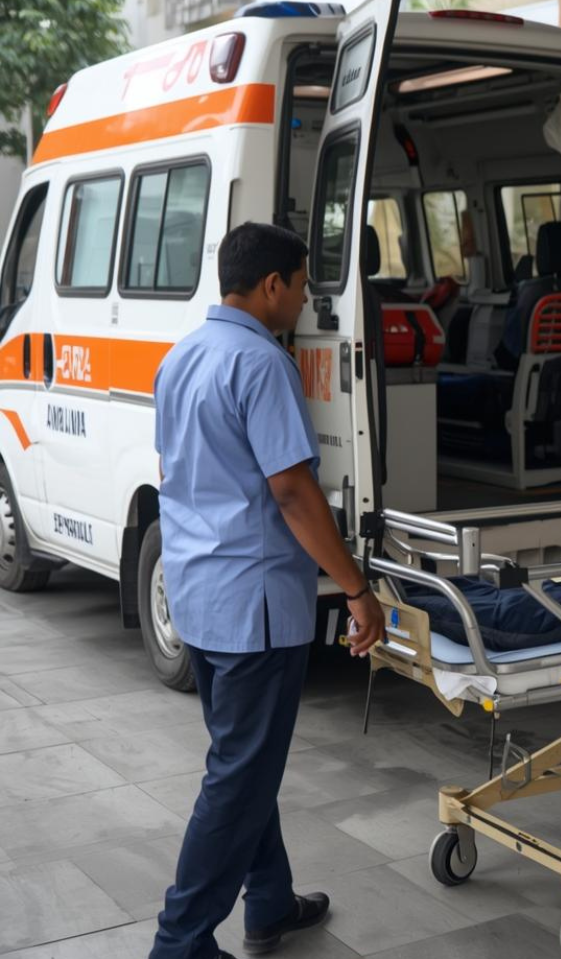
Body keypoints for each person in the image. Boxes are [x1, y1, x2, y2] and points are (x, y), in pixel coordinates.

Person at [150, 222, 385, 959]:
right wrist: (355, 588)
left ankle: (270, 902)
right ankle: (180, 942)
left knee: (243, 765)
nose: (306, 298)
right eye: (303, 283)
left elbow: (175, 474)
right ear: (272, 285)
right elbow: (291, 490)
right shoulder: (262, 362)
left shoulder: (181, 356)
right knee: (238, 778)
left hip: (199, 594)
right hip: (253, 607)